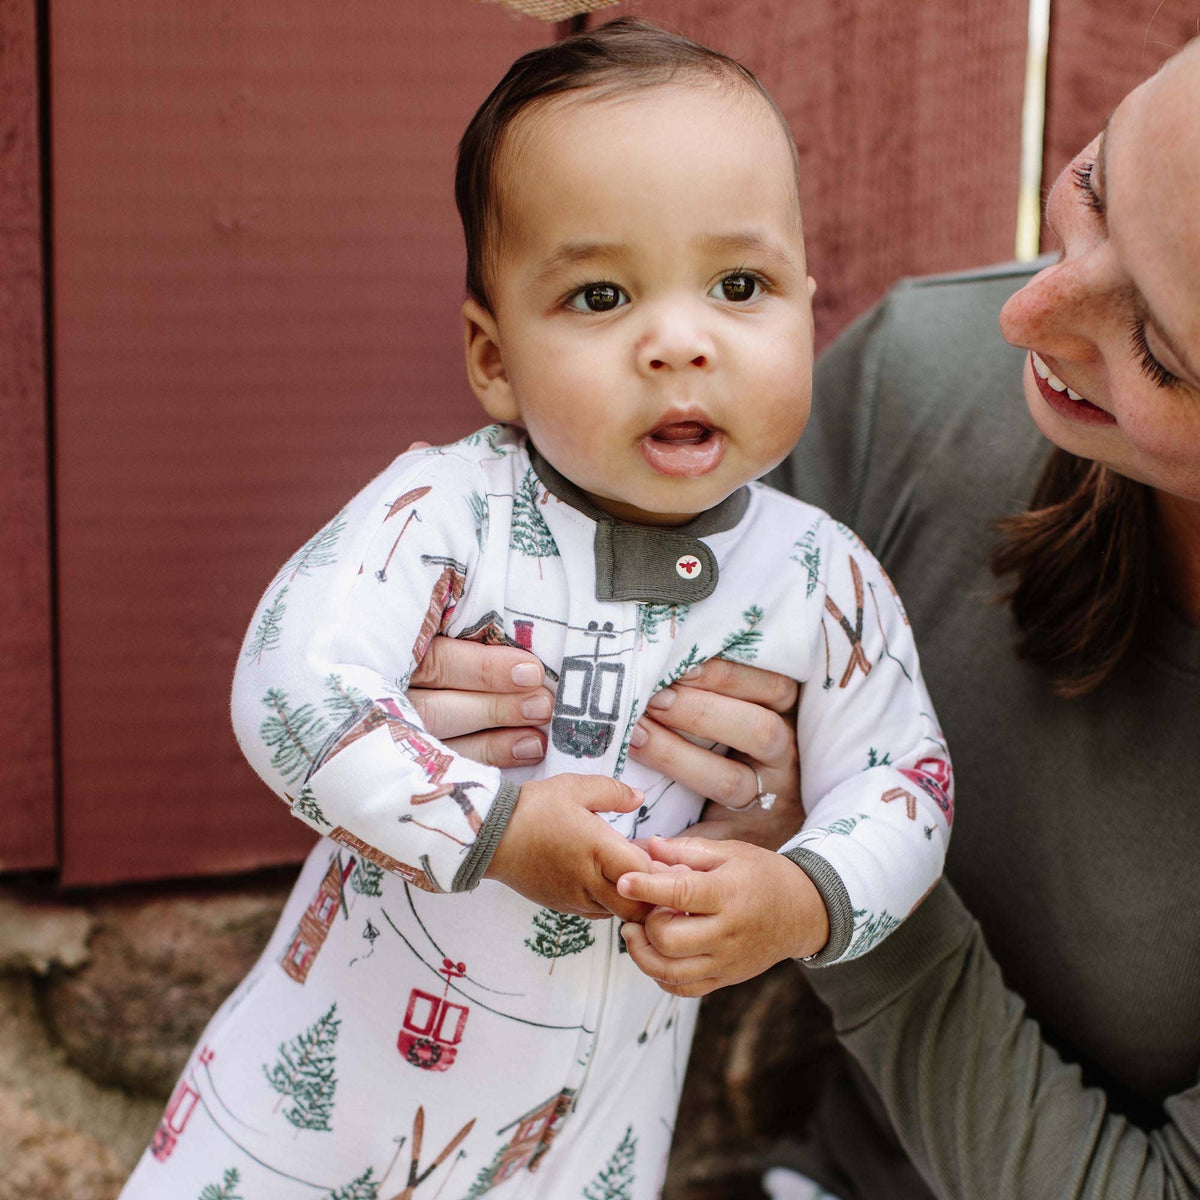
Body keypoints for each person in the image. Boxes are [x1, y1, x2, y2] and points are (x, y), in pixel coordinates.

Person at [118, 19, 955, 1200]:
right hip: (323, 1099)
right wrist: (496, 833)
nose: (680, 342)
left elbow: (908, 785)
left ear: (807, 305)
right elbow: (293, 685)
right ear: (493, 355)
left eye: (739, 285)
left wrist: (803, 897)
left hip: (586, 1140)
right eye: (602, 294)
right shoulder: (443, 512)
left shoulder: (824, 576)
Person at [412, 33, 1200, 1200]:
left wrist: (835, 881)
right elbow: (606, 606)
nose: (1025, 317)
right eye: (1094, 182)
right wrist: (463, 702)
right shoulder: (919, 384)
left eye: (1157, 348)